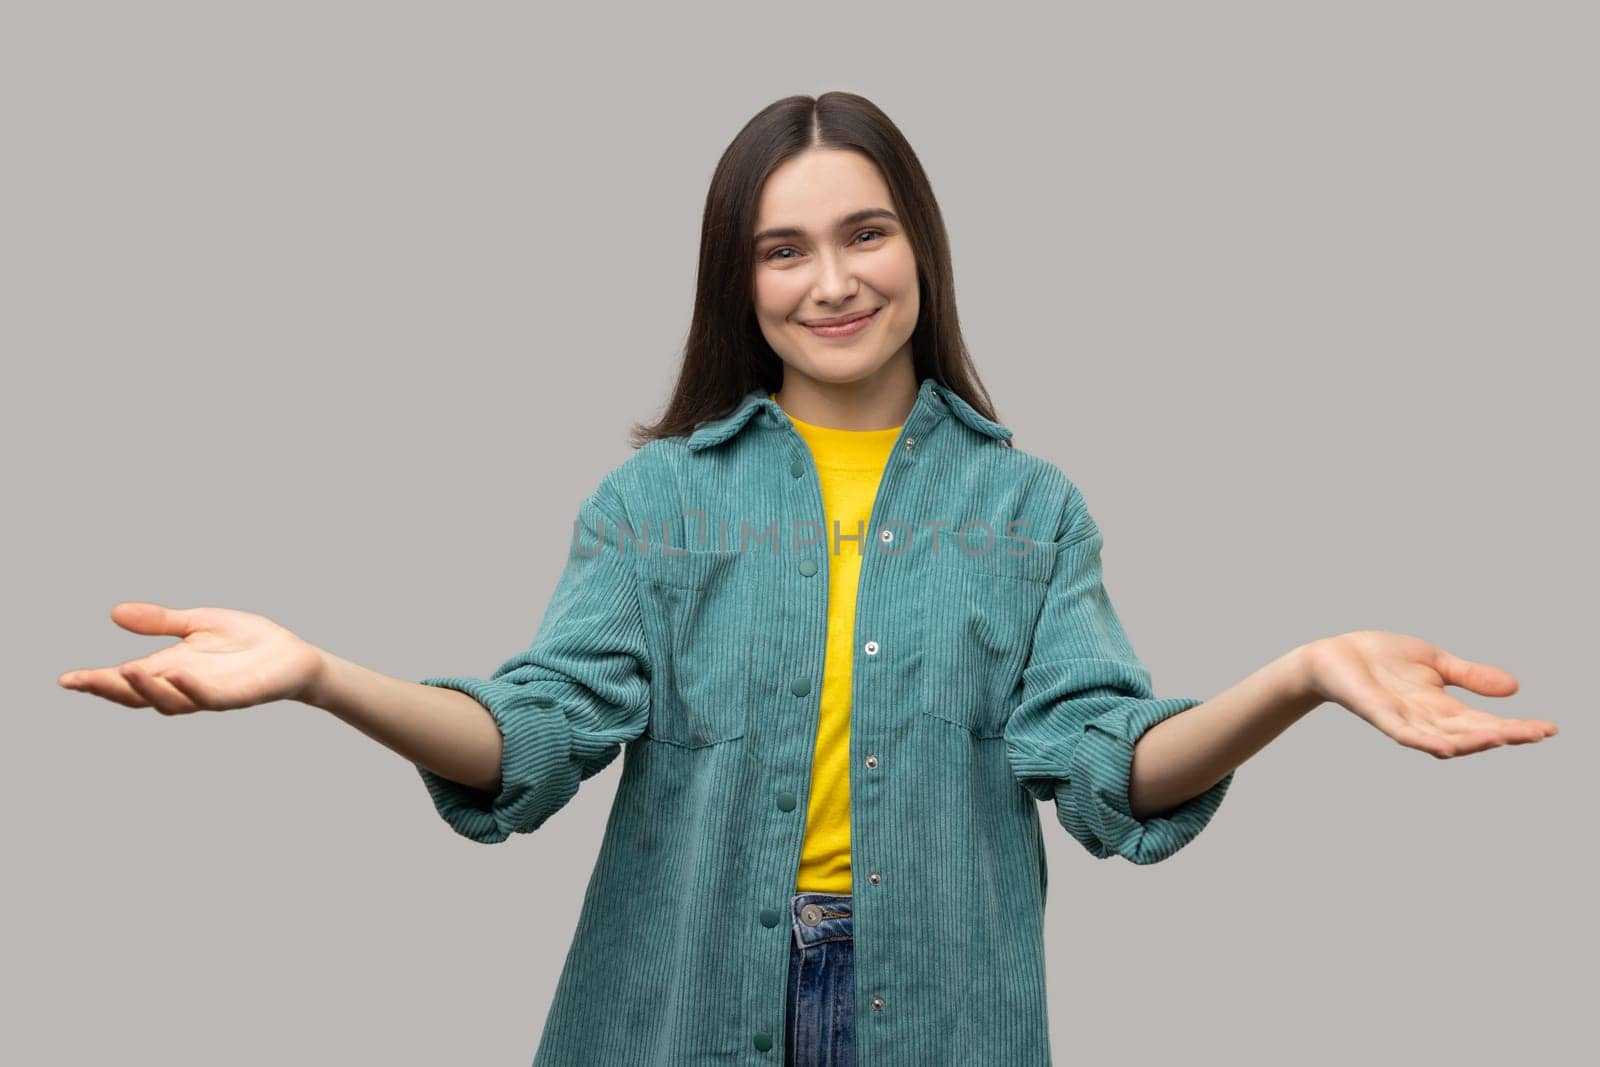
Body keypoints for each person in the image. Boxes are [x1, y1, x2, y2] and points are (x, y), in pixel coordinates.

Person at [57, 91, 1559, 1067]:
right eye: (783, 251)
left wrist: (1294, 679)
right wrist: (322, 677)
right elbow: (525, 746)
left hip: (941, 1014)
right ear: (740, 280)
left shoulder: (1026, 509)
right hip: (684, 1003)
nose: (831, 280)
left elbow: (1113, 770)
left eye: (864, 233)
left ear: (922, 250)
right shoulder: (656, 504)